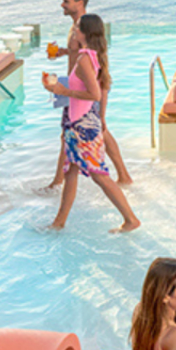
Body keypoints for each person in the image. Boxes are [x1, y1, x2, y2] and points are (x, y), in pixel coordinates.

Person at [41, 14, 140, 233]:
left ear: (85, 33)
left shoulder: (85, 59)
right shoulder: (89, 56)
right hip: (78, 122)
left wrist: (61, 90)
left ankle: (131, 219)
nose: (74, 31)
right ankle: (59, 222)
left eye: (77, 28)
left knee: (99, 175)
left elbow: (94, 94)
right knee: (71, 171)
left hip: (82, 126)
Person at [45, 0, 131, 188]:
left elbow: (99, 66)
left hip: (82, 90)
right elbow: (79, 54)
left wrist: (102, 103)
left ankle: (59, 182)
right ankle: (122, 176)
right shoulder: (76, 28)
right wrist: (63, 52)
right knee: (76, 133)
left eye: (67, 1)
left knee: (90, 130)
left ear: (79, 3)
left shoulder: (87, 29)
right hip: (74, 85)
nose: (62, 4)